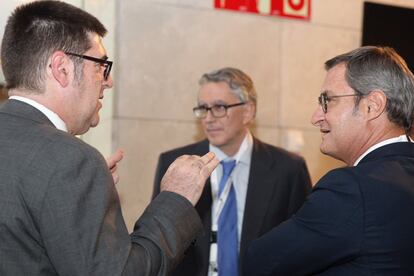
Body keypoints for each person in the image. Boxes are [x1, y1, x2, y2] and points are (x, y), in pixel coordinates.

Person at [0, 1, 219, 275]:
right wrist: (176, 198)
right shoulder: (71, 160)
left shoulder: (63, 165)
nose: (109, 80)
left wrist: (79, 188)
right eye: (101, 65)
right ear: (62, 68)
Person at [243, 46, 414, 275]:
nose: (316, 117)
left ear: (372, 105)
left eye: (327, 100)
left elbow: (260, 263)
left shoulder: (351, 189)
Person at [152, 67, 312, 276]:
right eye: (203, 108)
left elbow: (302, 247)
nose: (208, 118)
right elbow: (160, 240)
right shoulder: (175, 164)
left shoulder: (288, 169)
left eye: (219, 107)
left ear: (248, 112)